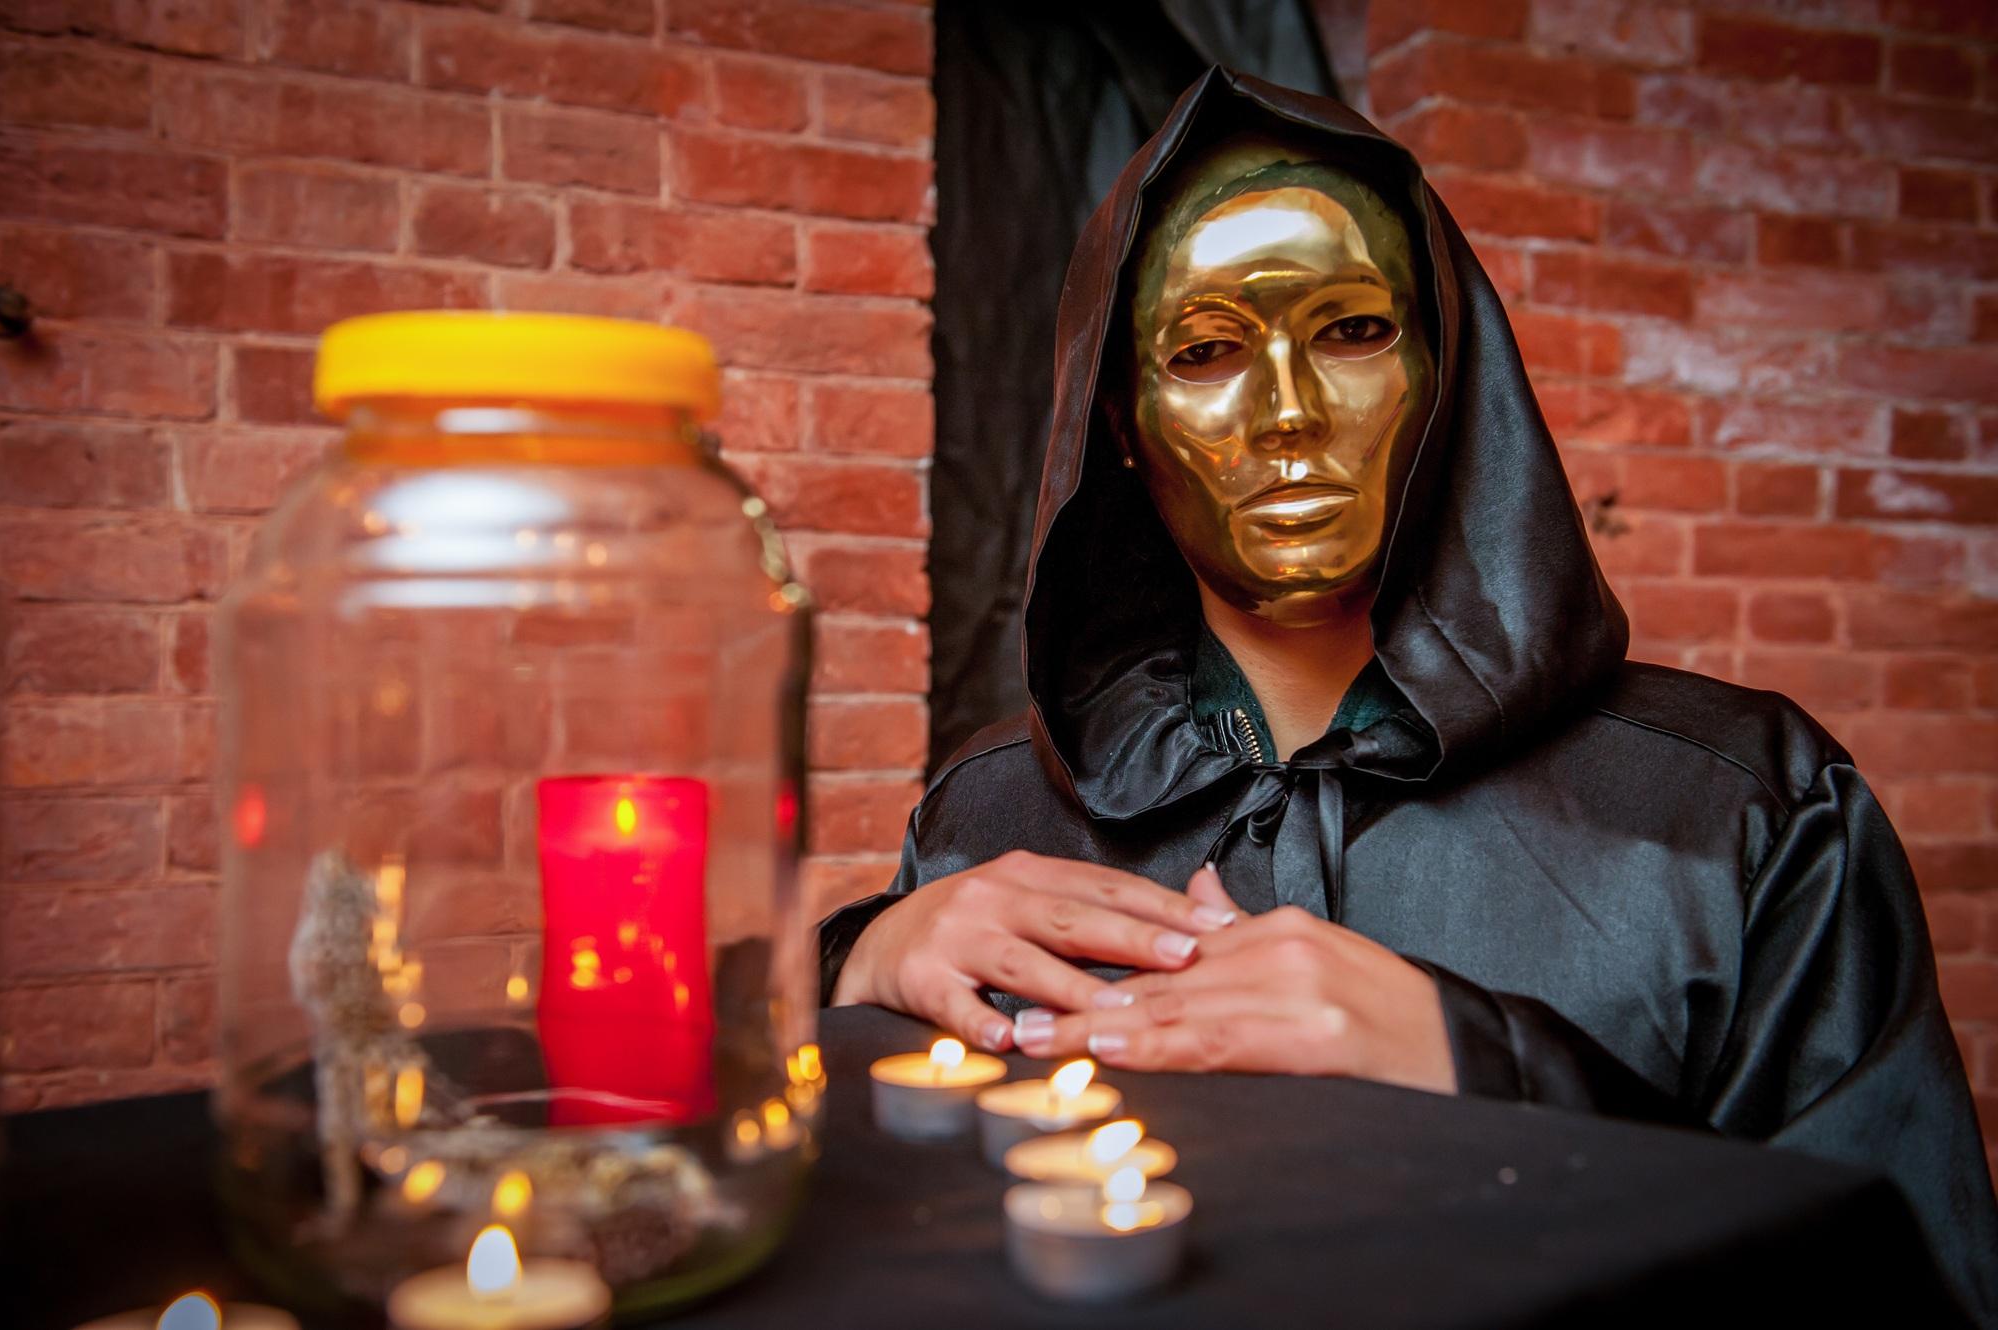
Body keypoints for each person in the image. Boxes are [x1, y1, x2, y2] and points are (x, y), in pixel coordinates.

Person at [816, 69, 1998, 1319]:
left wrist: (1484, 1068)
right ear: (1120, 415)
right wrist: (851, 967)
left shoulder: (1741, 809)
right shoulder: (986, 814)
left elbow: (1910, 1290)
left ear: (1446, 370)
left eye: (1351, 330)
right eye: (1207, 350)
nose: (1286, 414)